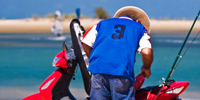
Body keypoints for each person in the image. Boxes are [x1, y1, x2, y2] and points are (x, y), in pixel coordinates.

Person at [82, 6, 153, 100]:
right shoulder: (139, 27)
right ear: (138, 21)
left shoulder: (102, 23)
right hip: (121, 72)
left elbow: (86, 41)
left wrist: (93, 60)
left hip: (98, 71)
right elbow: (147, 52)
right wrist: (146, 67)